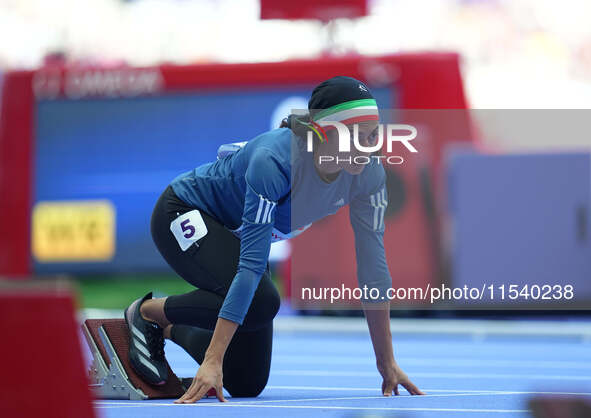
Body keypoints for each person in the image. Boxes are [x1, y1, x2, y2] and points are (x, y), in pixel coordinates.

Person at [124, 76, 424, 403]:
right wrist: (212, 360)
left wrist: (386, 362)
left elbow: (373, 271)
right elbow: (251, 267)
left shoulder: (369, 174)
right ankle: (150, 313)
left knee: (247, 381)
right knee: (262, 300)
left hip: (236, 233)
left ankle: (170, 329)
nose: (368, 147)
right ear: (323, 133)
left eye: (373, 134)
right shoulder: (276, 161)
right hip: (183, 211)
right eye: (356, 136)